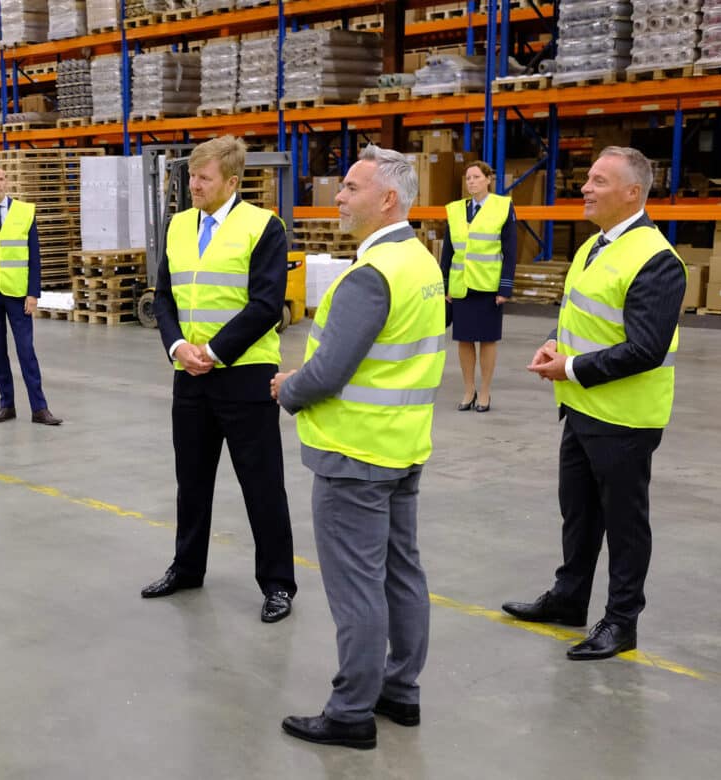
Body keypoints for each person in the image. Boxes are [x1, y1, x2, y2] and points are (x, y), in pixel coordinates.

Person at [273, 146, 445, 749]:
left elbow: (328, 372)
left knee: (357, 587)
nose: (339, 197)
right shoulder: (420, 262)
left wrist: (288, 388)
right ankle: (400, 690)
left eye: (350, 187)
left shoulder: (371, 274)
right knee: (401, 573)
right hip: (402, 447)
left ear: (387, 199)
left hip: (354, 454)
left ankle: (350, 712)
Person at [504, 146, 687, 661]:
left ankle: (622, 620)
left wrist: (571, 368)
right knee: (579, 514)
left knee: (625, 524)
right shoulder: (594, 246)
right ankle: (569, 597)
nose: (585, 188)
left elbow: (646, 349)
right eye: (588, 178)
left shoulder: (657, 260)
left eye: (599, 181)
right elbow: (581, 315)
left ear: (632, 193)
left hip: (625, 419)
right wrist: (553, 344)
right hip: (582, 408)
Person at [141, 134, 297, 623]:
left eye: (204, 178)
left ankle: (278, 583)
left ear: (232, 182)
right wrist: (177, 347)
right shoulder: (179, 225)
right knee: (191, 480)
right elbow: (163, 297)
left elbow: (265, 305)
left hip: (246, 376)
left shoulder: (264, 227)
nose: (194, 185)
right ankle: (187, 567)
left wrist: (213, 351)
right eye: (191, 176)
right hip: (189, 375)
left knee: (262, 483)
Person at [0, 165, 62, 425]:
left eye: (1, 179)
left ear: (7, 183)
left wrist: (33, 293)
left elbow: (34, 255)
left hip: (18, 295)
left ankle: (40, 408)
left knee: (26, 351)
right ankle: (6, 405)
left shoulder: (25, 212)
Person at [440, 161, 516, 412]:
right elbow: (448, 252)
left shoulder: (503, 207)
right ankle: (468, 390)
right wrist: (445, 286)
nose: (471, 181)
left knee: (487, 340)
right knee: (464, 340)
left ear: (488, 179)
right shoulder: (455, 210)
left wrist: (505, 288)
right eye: (468, 178)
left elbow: (510, 251)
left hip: (488, 287)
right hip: (461, 286)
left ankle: (484, 391)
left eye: (476, 177)